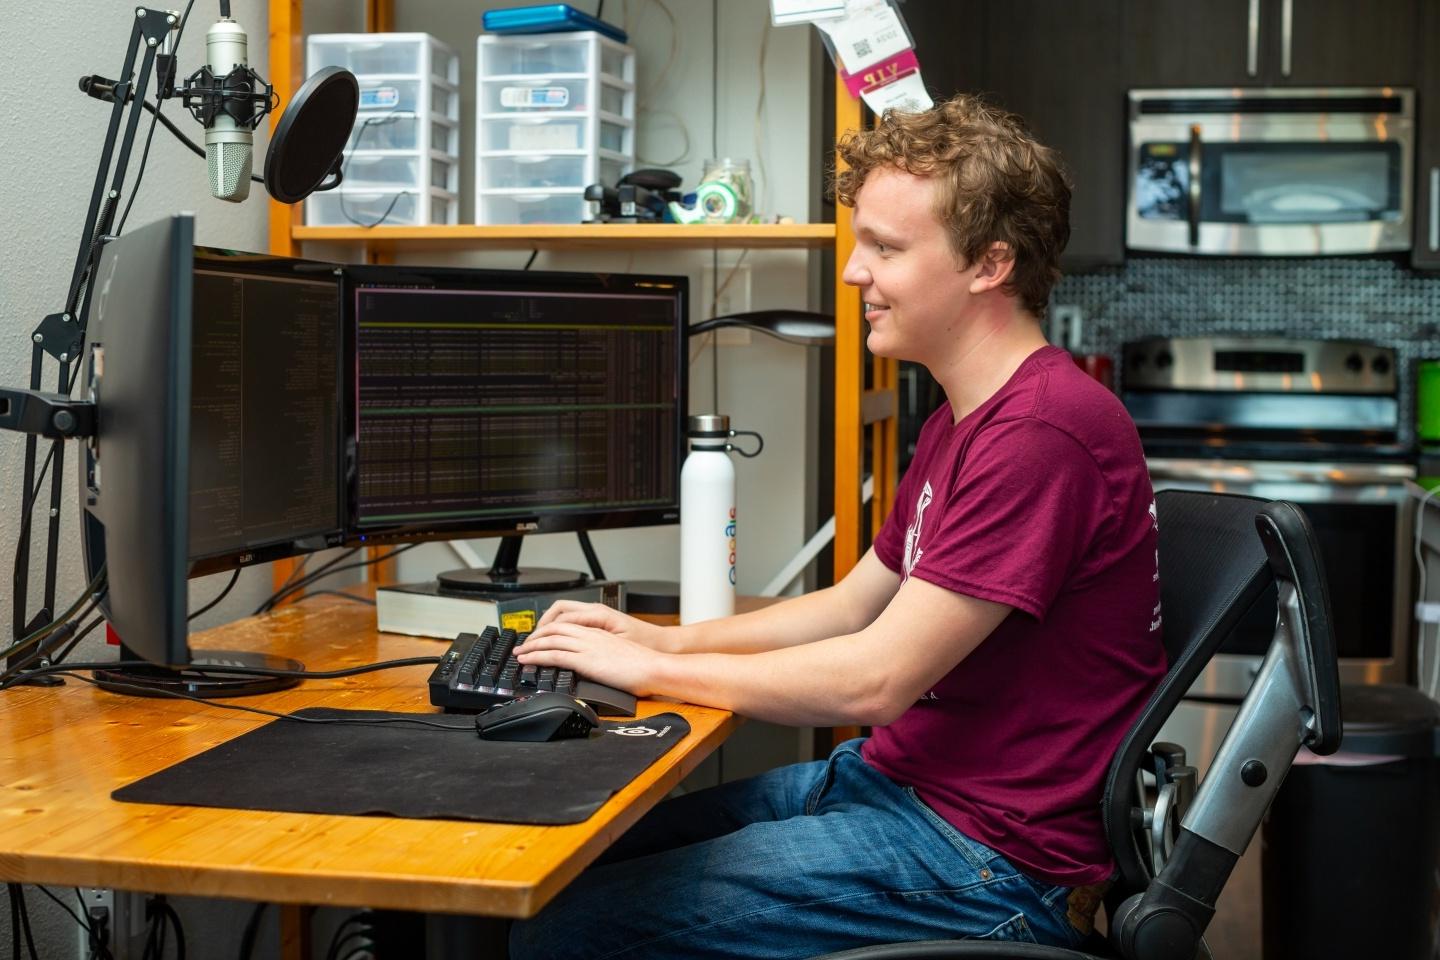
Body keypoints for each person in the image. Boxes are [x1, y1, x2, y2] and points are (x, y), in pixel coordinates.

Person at [508, 95, 1164, 960]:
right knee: (559, 861)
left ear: (989, 264)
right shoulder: (964, 417)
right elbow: (854, 604)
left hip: (989, 856)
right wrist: (660, 642)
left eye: (885, 248)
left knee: (565, 932)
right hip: (899, 787)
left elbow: (873, 682)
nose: (854, 273)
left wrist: (645, 667)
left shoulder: (1040, 432)